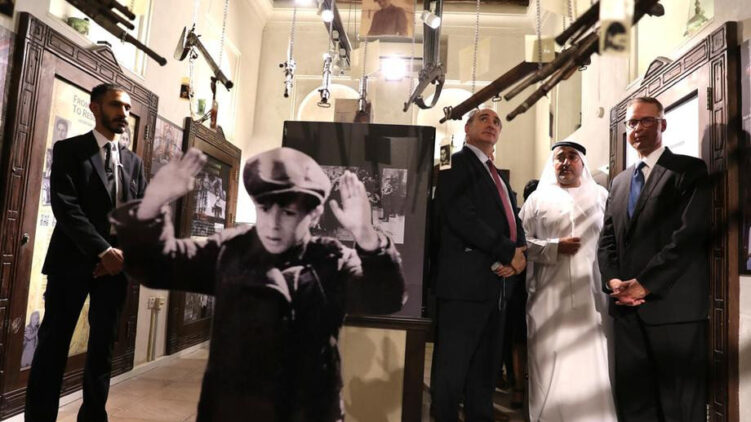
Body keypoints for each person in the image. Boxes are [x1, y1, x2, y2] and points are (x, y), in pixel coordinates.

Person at [110, 147, 406, 421]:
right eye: (264, 209)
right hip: (232, 409)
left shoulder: (332, 260)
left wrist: (365, 235)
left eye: (288, 213)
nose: (273, 224)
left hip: (308, 410)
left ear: (314, 215)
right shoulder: (230, 251)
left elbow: (385, 298)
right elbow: (156, 267)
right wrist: (153, 202)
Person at [25, 84, 147, 422]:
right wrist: (103, 250)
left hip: (115, 270)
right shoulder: (70, 150)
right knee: (52, 346)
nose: (123, 113)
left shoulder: (134, 163)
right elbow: (66, 207)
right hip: (70, 264)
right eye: (116, 105)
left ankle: (93, 417)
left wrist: (120, 256)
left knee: (102, 351)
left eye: (127, 108)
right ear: (95, 107)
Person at [597, 96, 710, 422]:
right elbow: (607, 240)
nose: (637, 128)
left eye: (646, 120)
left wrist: (645, 284)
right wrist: (613, 281)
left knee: (679, 407)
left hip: (673, 310)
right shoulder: (619, 182)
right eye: (632, 122)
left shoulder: (689, 171)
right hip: (626, 311)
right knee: (635, 404)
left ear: (663, 124)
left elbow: (688, 237)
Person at [431, 108, 526, 422]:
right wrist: (508, 251)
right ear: (467, 128)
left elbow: (512, 219)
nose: (492, 124)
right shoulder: (453, 162)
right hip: (464, 286)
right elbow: (461, 216)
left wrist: (519, 253)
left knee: (484, 373)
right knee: (452, 370)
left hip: (496, 287)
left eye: (497, 121)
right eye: (483, 119)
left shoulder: (495, 174)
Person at [520, 141, 616, 421]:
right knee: (549, 360)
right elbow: (518, 244)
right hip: (548, 297)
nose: (565, 162)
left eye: (572, 157)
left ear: (582, 163)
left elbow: (614, 241)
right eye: (560, 157)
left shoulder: (601, 196)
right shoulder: (537, 200)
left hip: (593, 296)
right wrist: (552, 247)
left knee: (592, 360)